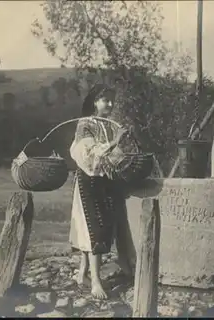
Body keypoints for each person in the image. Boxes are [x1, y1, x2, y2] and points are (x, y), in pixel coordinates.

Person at [69, 84, 137, 299]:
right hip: (88, 181)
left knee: (103, 226)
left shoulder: (108, 125)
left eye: (111, 100)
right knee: (93, 227)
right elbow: (88, 155)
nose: (110, 104)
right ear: (94, 102)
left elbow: (113, 156)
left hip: (105, 180)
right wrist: (116, 141)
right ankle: (96, 282)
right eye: (105, 99)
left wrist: (121, 147)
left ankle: (82, 274)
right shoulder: (85, 124)